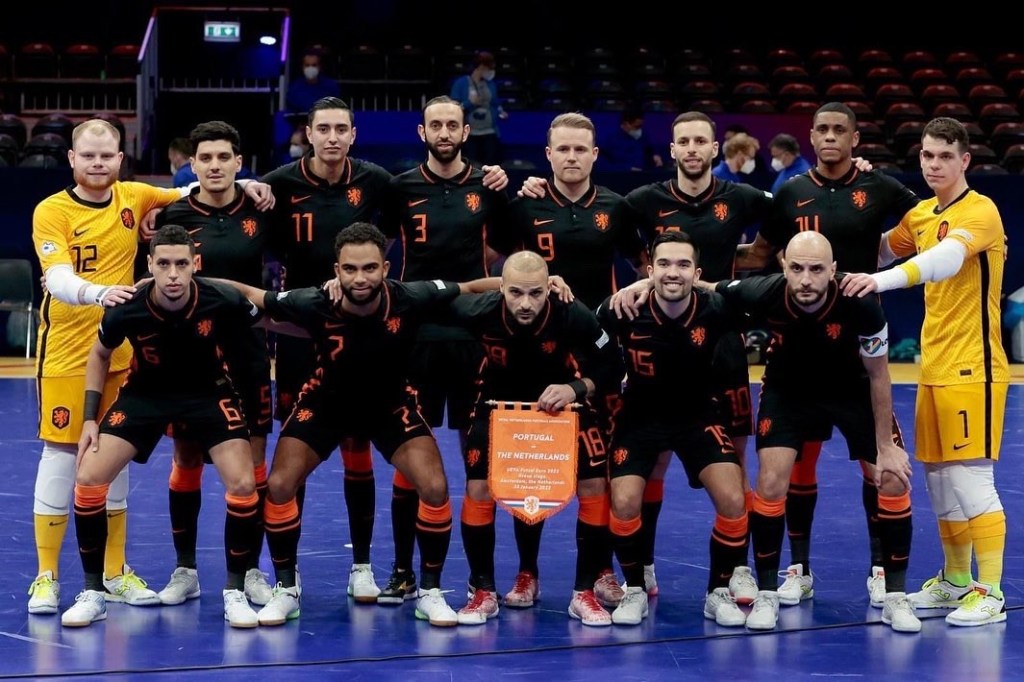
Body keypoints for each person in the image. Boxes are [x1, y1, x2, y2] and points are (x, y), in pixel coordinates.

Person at [259, 96, 507, 604]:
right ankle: (290, 577)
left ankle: (371, 567)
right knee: (289, 468)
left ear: (354, 134)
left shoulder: (379, 181)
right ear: (308, 133)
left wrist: (527, 281)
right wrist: (243, 187)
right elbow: (239, 224)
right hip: (307, 322)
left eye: (341, 129)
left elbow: (492, 255)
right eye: (323, 128)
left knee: (388, 456)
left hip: (397, 328)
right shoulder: (280, 183)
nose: (332, 137)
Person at [223, 222, 499, 628]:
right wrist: (191, 281)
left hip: (389, 405)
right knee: (279, 485)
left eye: (369, 268)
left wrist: (537, 283)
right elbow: (251, 294)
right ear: (337, 270)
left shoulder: (410, 296)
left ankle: (430, 592)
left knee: (436, 488)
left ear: (385, 268)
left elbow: (473, 286)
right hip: (326, 403)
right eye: (350, 269)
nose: (360, 278)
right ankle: (286, 589)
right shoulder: (314, 301)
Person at [736, 102, 920, 609]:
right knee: (795, 468)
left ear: (856, 139)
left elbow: (932, 222)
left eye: (841, 129)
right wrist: (684, 264)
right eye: (823, 129)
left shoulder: (880, 187)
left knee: (880, 469)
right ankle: (798, 569)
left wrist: (976, 235)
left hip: (858, 355)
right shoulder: (790, 192)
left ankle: (881, 570)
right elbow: (758, 254)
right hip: (796, 356)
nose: (831, 136)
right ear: (811, 137)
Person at [29, 118, 206, 616]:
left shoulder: (134, 196)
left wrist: (255, 185)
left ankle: (113, 573)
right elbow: (57, 278)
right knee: (63, 454)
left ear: (121, 160)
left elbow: (193, 192)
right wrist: (100, 292)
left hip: (123, 355)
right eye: (88, 156)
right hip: (67, 353)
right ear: (71, 158)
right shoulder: (51, 210)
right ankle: (46, 576)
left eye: (106, 156)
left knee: (115, 455)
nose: (97, 163)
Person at [843, 117, 1010, 627]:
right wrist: (856, 184)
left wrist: (879, 282)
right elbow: (873, 247)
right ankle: (956, 581)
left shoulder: (981, 211)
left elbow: (944, 259)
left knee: (970, 479)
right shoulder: (918, 215)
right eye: (927, 155)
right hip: (932, 367)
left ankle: (991, 592)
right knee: (938, 480)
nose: (934, 164)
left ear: (965, 160)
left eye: (945, 156)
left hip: (974, 367)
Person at [59, 225, 264, 629]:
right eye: (164, 264)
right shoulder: (127, 306)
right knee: (88, 478)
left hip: (208, 392)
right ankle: (94, 592)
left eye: (181, 264)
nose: (173, 274)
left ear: (195, 264)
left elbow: (269, 320)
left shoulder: (221, 299)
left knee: (243, 485)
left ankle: (235, 591)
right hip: (145, 394)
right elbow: (99, 354)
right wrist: (89, 419)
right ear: (149, 265)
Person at [717, 231, 918, 633]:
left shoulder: (861, 302)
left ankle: (895, 595)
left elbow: (880, 374)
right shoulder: (762, 292)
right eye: (796, 268)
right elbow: (705, 288)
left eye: (816, 269)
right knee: (770, 482)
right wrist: (645, 285)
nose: (806, 279)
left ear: (833, 271)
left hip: (853, 388)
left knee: (893, 478)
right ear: (783, 267)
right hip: (789, 390)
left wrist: (885, 446)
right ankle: (771, 592)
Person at [621, 111, 772, 600]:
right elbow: (610, 230)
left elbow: (788, 215)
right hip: (664, 341)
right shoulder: (644, 201)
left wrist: (749, 258)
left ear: (714, 149)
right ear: (672, 150)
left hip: (722, 342)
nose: (691, 148)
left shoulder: (741, 197)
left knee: (734, 456)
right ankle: (643, 564)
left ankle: (739, 567)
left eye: (700, 141)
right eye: (683, 141)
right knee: (655, 459)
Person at [501, 112, 644, 611]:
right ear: (548, 154)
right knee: (531, 471)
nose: (571, 157)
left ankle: (600, 570)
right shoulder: (525, 206)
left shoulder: (616, 207)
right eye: (562, 149)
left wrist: (637, 294)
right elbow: (497, 266)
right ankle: (527, 573)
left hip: (598, 354)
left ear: (595, 155)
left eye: (580, 149)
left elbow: (645, 265)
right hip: (534, 354)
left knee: (597, 473)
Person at [377, 96, 513, 605]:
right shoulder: (400, 188)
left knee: (479, 460)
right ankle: (403, 571)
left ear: (465, 131)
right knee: (409, 457)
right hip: (415, 336)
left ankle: (482, 579)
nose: (444, 132)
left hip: (476, 336)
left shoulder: (489, 185)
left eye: (452, 124)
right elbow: (373, 247)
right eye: (435, 125)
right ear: (422, 132)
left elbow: (512, 246)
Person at [446, 250, 624, 627]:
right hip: (498, 409)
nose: (525, 303)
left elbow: (613, 365)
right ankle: (485, 590)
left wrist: (576, 387)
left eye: (535, 293)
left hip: (563, 409)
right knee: (478, 489)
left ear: (550, 288)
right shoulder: (478, 310)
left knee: (594, 485)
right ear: (501, 289)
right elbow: (427, 299)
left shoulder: (572, 312)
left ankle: (583, 592)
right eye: (515, 292)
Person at [146, 121, 275, 608]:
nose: (215, 166)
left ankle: (251, 570)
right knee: (186, 459)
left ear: (239, 163)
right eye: (206, 158)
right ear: (192, 164)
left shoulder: (261, 206)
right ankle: (186, 570)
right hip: (188, 356)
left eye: (225, 157)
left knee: (253, 463)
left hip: (248, 351)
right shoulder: (173, 214)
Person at [596, 231, 751, 628]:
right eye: (664, 264)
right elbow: (586, 341)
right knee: (624, 502)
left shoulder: (717, 307)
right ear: (650, 270)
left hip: (698, 415)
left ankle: (717, 592)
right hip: (639, 416)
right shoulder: (623, 309)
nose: (672, 273)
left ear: (697, 274)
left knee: (733, 499)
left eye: (683, 265)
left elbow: (767, 299)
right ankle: (635, 587)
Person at [449, 51, 508, 166]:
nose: (491, 72)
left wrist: (501, 112)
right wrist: (470, 103)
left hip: (489, 133)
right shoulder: (461, 84)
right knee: (471, 167)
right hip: (470, 135)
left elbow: (495, 103)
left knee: (490, 166)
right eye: (489, 69)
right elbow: (453, 109)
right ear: (481, 67)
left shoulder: (490, 84)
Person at [598, 107, 664, 173]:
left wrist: (655, 156)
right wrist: (627, 169)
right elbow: (601, 165)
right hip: (620, 176)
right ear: (626, 124)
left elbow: (651, 151)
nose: (639, 130)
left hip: (643, 175)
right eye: (637, 126)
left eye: (641, 126)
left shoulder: (643, 137)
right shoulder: (609, 140)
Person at [285, 47, 341, 115]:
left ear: (320, 66)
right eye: (307, 65)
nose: (310, 68)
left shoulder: (331, 86)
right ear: (302, 67)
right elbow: (290, 113)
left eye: (314, 65)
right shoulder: (294, 88)